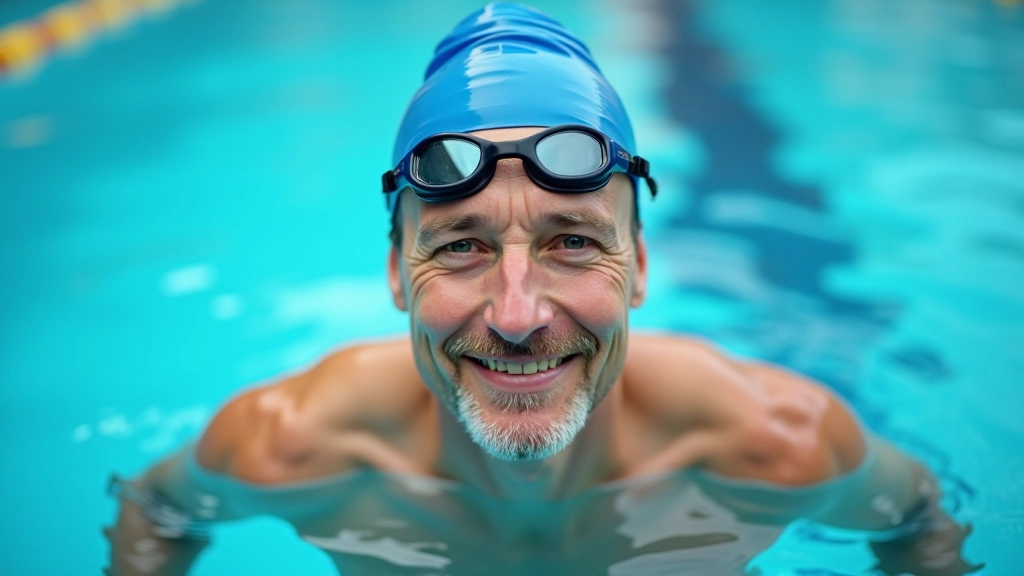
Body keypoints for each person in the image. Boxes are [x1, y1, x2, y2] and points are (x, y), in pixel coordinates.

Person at [107, 4, 981, 575]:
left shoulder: (778, 447)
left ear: (638, 267)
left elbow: (914, 521)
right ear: (393, 275)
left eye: (571, 242)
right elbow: (154, 510)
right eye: (460, 247)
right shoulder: (289, 447)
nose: (518, 314)